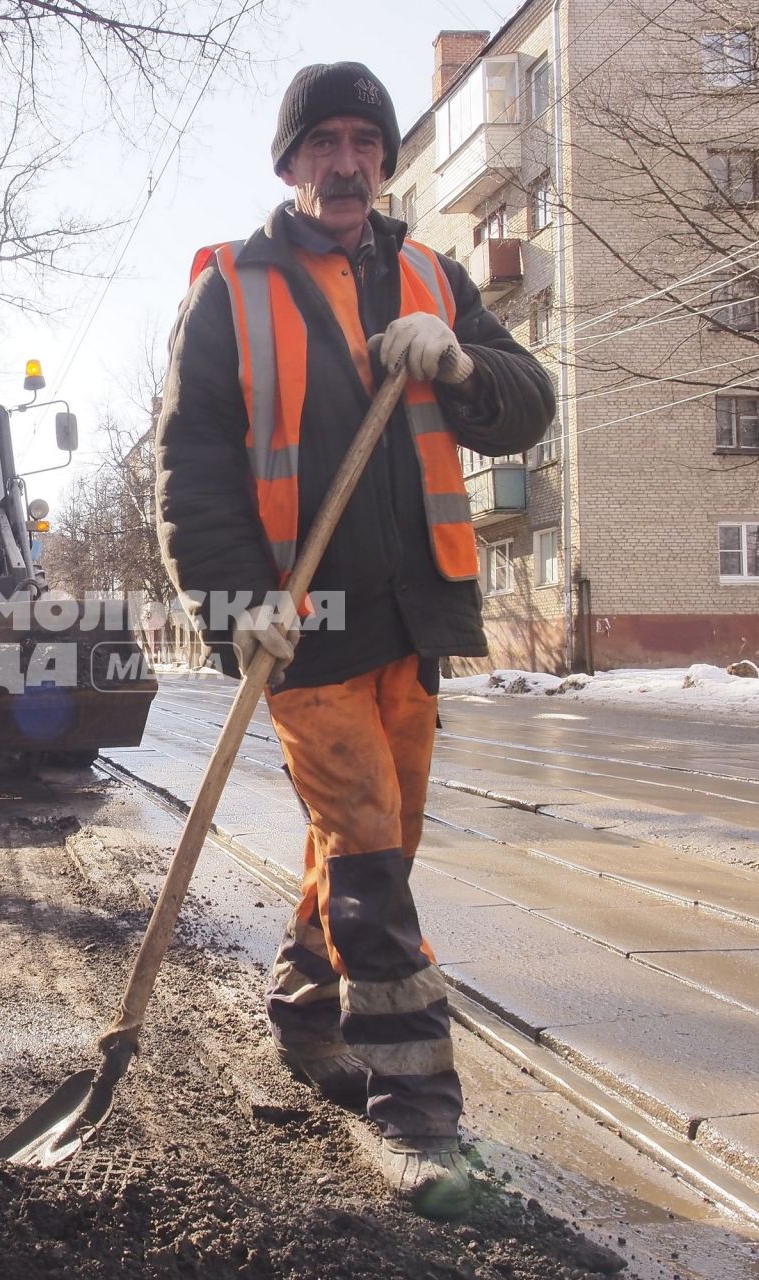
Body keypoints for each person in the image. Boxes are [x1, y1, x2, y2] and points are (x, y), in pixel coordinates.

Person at [153, 61, 554, 1219]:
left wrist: (462, 360)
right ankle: (415, 1104)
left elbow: (526, 400)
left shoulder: (431, 274)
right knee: (368, 838)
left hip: (412, 612)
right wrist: (234, 606)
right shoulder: (231, 288)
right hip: (304, 621)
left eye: (362, 142)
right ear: (289, 165)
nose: (344, 161)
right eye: (320, 142)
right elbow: (195, 473)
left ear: (382, 162)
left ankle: (302, 995)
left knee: (378, 840)